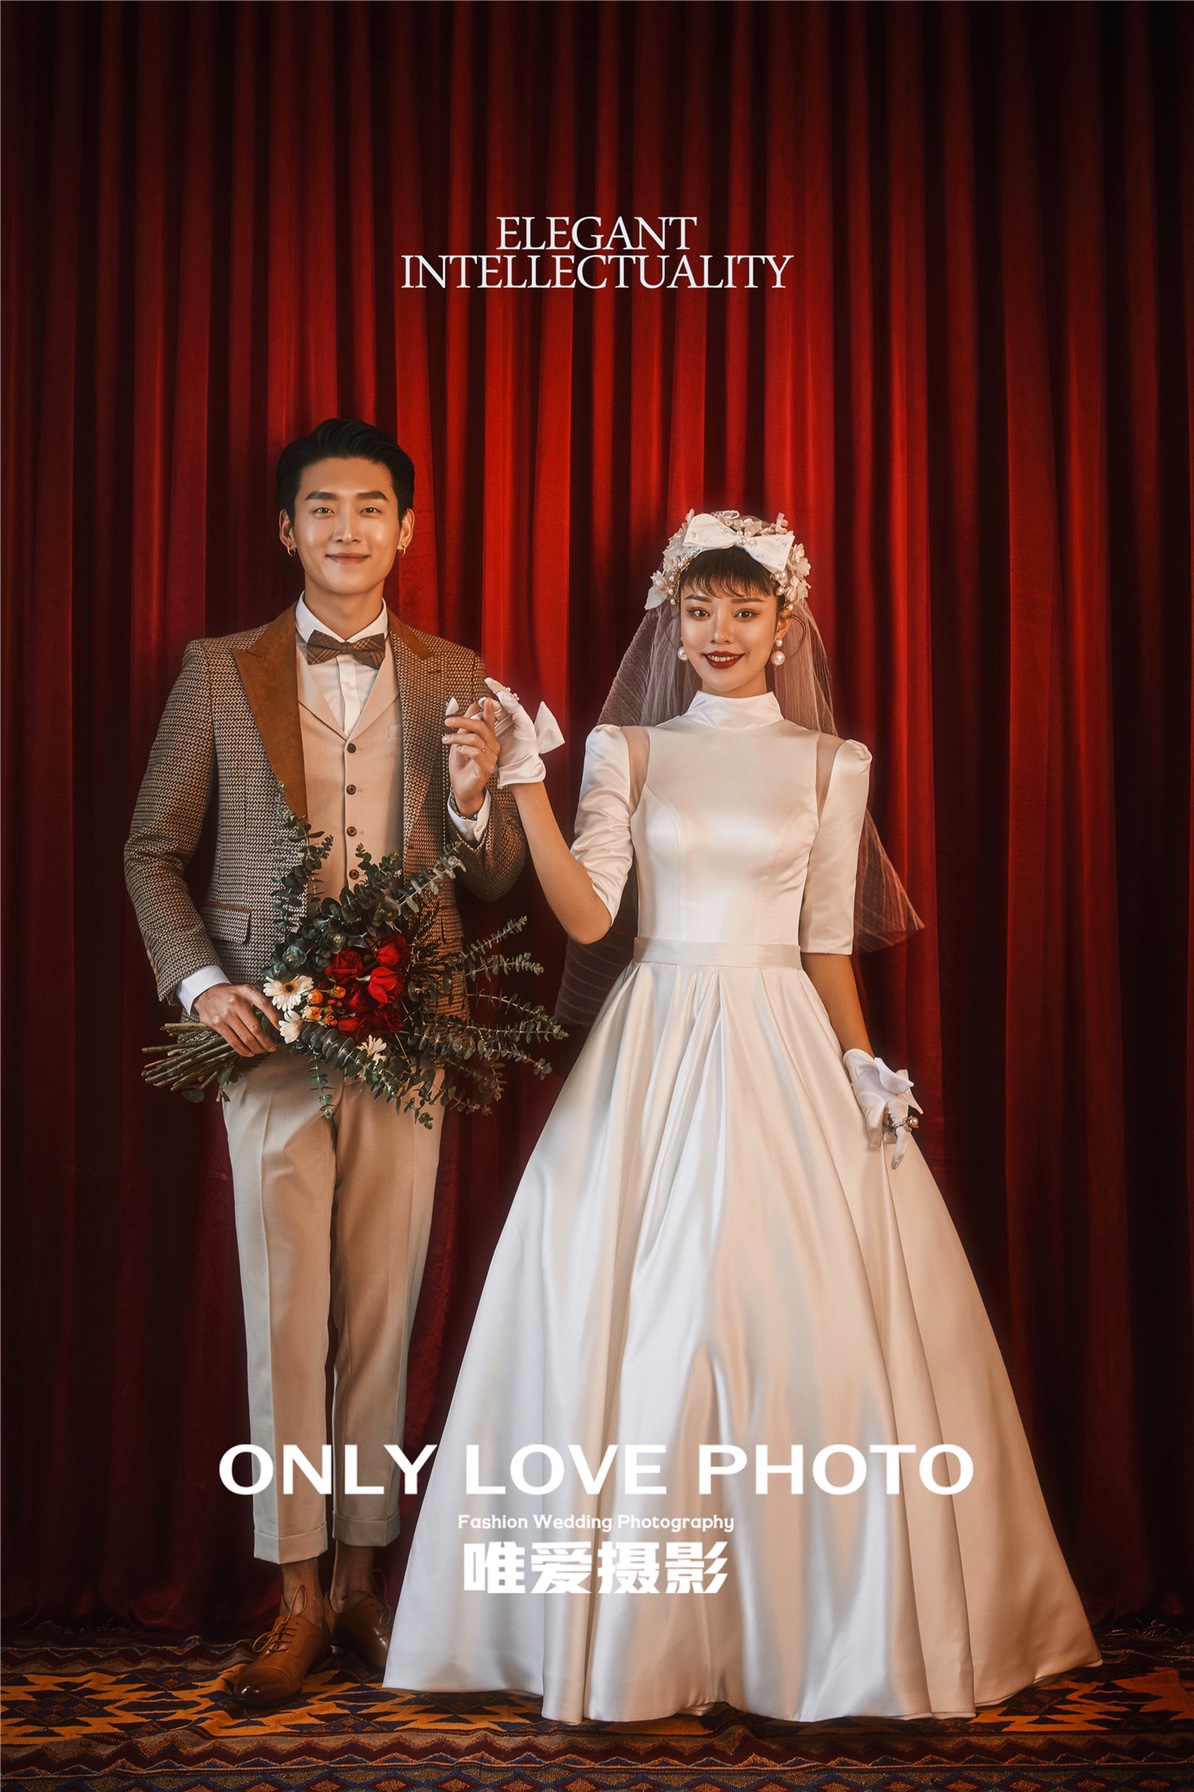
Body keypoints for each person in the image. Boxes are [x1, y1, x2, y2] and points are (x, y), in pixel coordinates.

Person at [382, 510, 1099, 1724]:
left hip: (783, 1041)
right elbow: (591, 918)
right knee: (646, 1324)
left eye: (745, 610)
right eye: (700, 609)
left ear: (784, 625)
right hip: (654, 1037)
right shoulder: (626, 748)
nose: (720, 630)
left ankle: (814, 1639)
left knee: (798, 1327)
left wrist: (864, 1067)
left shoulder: (832, 763)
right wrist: (523, 785)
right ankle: (633, 1639)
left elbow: (825, 944)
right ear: (674, 621)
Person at [124, 418, 524, 1703]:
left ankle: (361, 1586)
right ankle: (293, 1595)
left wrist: (475, 798)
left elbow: (497, 875)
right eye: (322, 508)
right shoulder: (217, 671)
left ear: (407, 529)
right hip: (269, 1039)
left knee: (384, 1312)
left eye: (370, 508)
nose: (347, 528)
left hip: (413, 1029)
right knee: (285, 1317)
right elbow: (151, 849)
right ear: (285, 529)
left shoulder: (456, 671)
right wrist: (204, 984)